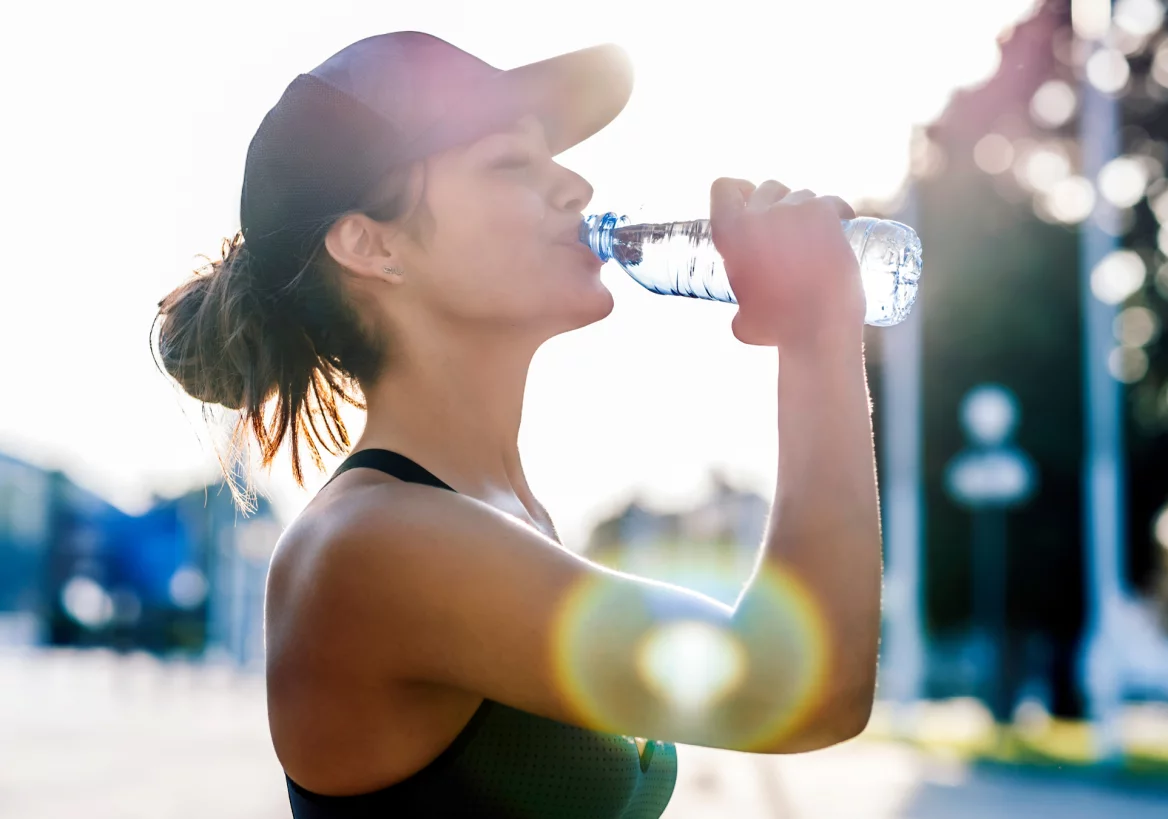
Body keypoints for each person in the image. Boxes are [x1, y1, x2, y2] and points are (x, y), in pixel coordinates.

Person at [153, 30, 883, 818]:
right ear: (372, 244)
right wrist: (815, 335)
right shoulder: (374, 545)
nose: (576, 186)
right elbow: (800, 691)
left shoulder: (503, 513)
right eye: (512, 163)